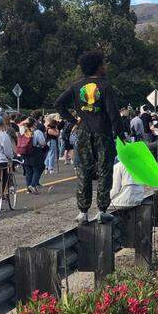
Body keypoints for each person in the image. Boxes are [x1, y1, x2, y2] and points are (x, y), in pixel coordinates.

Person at [56, 50, 125, 223]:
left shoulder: (76, 86)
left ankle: (83, 212)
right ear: (98, 67)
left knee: (84, 171)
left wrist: (74, 121)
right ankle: (102, 210)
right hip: (103, 133)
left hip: (83, 132)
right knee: (104, 171)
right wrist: (120, 133)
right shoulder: (105, 86)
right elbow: (113, 113)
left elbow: (59, 104)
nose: (105, 67)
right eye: (103, 64)